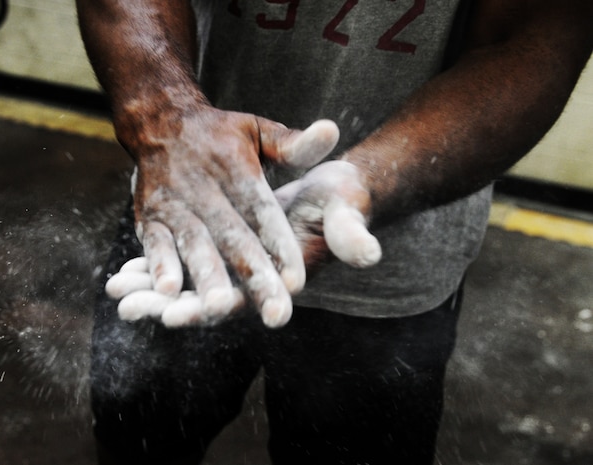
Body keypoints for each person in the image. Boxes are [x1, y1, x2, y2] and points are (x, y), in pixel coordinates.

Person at [75, 0, 593, 464]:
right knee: (138, 439)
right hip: (192, 206)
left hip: (391, 252)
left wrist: (371, 180)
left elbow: (530, 37)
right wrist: (167, 114)